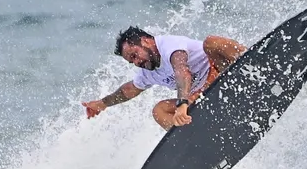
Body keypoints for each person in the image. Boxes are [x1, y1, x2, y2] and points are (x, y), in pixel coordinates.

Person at [82, 26, 248, 130]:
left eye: (134, 55)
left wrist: (182, 104)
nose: (136, 62)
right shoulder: (148, 69)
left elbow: (182, 71)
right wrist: (102, 103)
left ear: (145, 41)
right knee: (159, 111)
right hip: (204, 95)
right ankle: (195, 139)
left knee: (212, 42)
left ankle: (254, 65)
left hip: (223, 74)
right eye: (131, 61)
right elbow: (129, 90)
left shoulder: (169, 46)